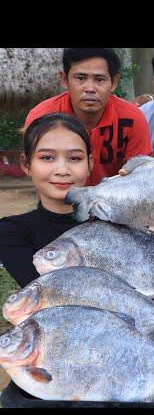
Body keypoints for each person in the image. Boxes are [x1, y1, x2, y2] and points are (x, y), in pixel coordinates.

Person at [24, 48, 152, 186]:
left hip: (113, 200)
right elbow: (39, 172)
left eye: (99, 79)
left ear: (114, 82)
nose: (90, 88)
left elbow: (140, 176)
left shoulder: (132, 119)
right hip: (61, 198)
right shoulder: (41, 117)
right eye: (80, 78)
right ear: (64, 79)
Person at [0, 113, 92, 287]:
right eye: (47, 157)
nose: (62, 170)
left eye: (75, 158)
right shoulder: (11, 232)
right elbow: (46, 294)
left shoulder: (117, 226)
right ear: (26, 164)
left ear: (90, 164)